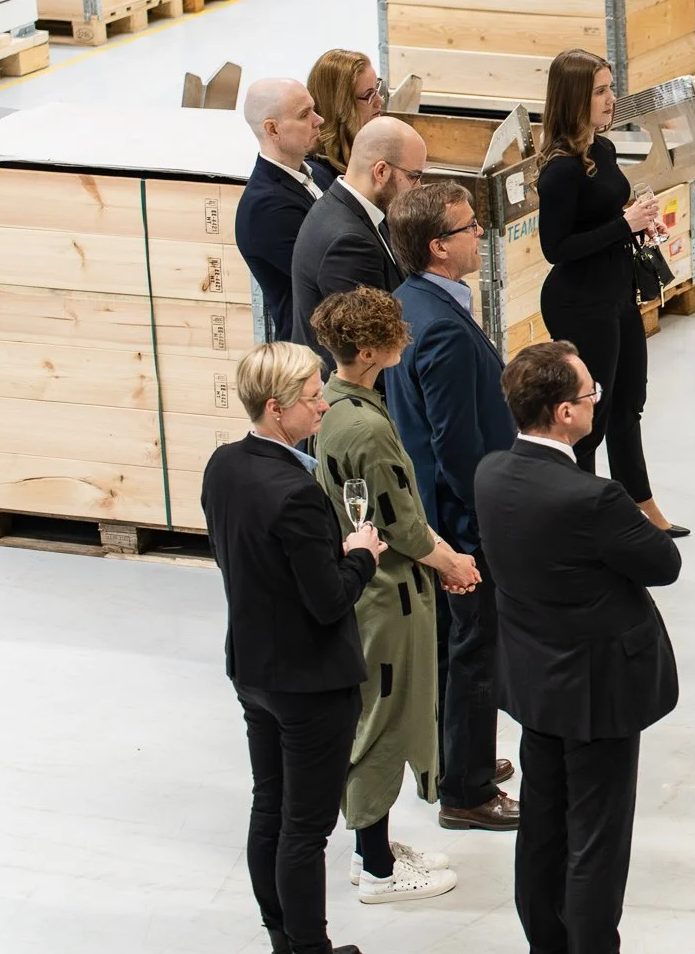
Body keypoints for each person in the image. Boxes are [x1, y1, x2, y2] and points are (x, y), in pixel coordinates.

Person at [475, 342, 684, 954]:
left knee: (542, 824)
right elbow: (664, 562)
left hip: (535, 681)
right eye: (589, 392)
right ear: (565, 412)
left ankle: (546, 941)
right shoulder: (594, 498)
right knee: (597, 839)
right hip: (599, 691)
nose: (597, 399)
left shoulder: (491, 474)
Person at [202, 340, 386, 954]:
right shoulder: (297, 492)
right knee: (305, 829)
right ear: (276, 408)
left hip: (253, 668)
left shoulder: (223, 465)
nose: (324, 407)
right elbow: (330, 600)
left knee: (269, 809)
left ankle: (283, 938)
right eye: (312, 398)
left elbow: (242, 558)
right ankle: (310, 948)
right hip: (311, 682)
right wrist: (361, 554)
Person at [310, 288, 484, 901]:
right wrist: (452, 561)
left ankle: (373, 848)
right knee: (385, 720)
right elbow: (400, 524)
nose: (403, 341)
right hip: (388, 596)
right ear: (369, 350)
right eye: (392, 335)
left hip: (379, 585)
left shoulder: (338, 404)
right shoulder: (365, 428)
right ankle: (379, 868)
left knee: (379, 716)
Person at [385, 181, 522, 832]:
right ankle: (466, 791)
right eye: (469, 227)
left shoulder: (412, 302)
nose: (479, 235)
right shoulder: (441, 328)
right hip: (461, 520)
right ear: (439, 246)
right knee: (471, 651)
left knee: (452, 646)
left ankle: (455, 758)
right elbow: (456, 445)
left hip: (439, 513)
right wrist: (482, 524)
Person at [535, 49, 687, 537]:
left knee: (628, 402)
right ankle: (585, 517)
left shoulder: (601, 149)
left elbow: (603, 217)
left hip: (617, 292)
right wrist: (624, 224)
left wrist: (635, 220)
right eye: (600, 91)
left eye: (610, 87)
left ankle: (640, 503)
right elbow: (556, 248)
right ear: (574, 98)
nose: (611, 98)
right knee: (590, 417)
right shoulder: (560, 170)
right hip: (580, 302)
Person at [291, 116, 424, 370]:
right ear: (381, 172)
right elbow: (371, 349)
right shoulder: (349, 244)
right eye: (413, 177)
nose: (418, 187)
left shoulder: (352, 208)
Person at [236, 78, 325, 342]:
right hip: (314, 349)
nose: (319, 120)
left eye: (313, 109)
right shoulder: (265, 209)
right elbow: (326, 276)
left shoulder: (317, 173)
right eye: (305, 114)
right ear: (272, 129)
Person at [306, 50, 388, 191]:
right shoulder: (318, 177)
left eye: (377, 88)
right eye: (369, 95)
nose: (380, 101)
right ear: (340, 105)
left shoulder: (364, 152)